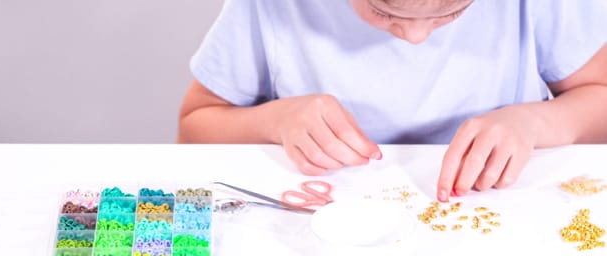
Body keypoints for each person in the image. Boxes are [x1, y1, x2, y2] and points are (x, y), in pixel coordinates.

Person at [178, 0, 607, 202]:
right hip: (315, 228)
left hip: (500, 216)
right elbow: (195, 126)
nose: (417, 36)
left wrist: (534, 124)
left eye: (453, 12)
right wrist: (274, 121)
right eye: (384, 12)